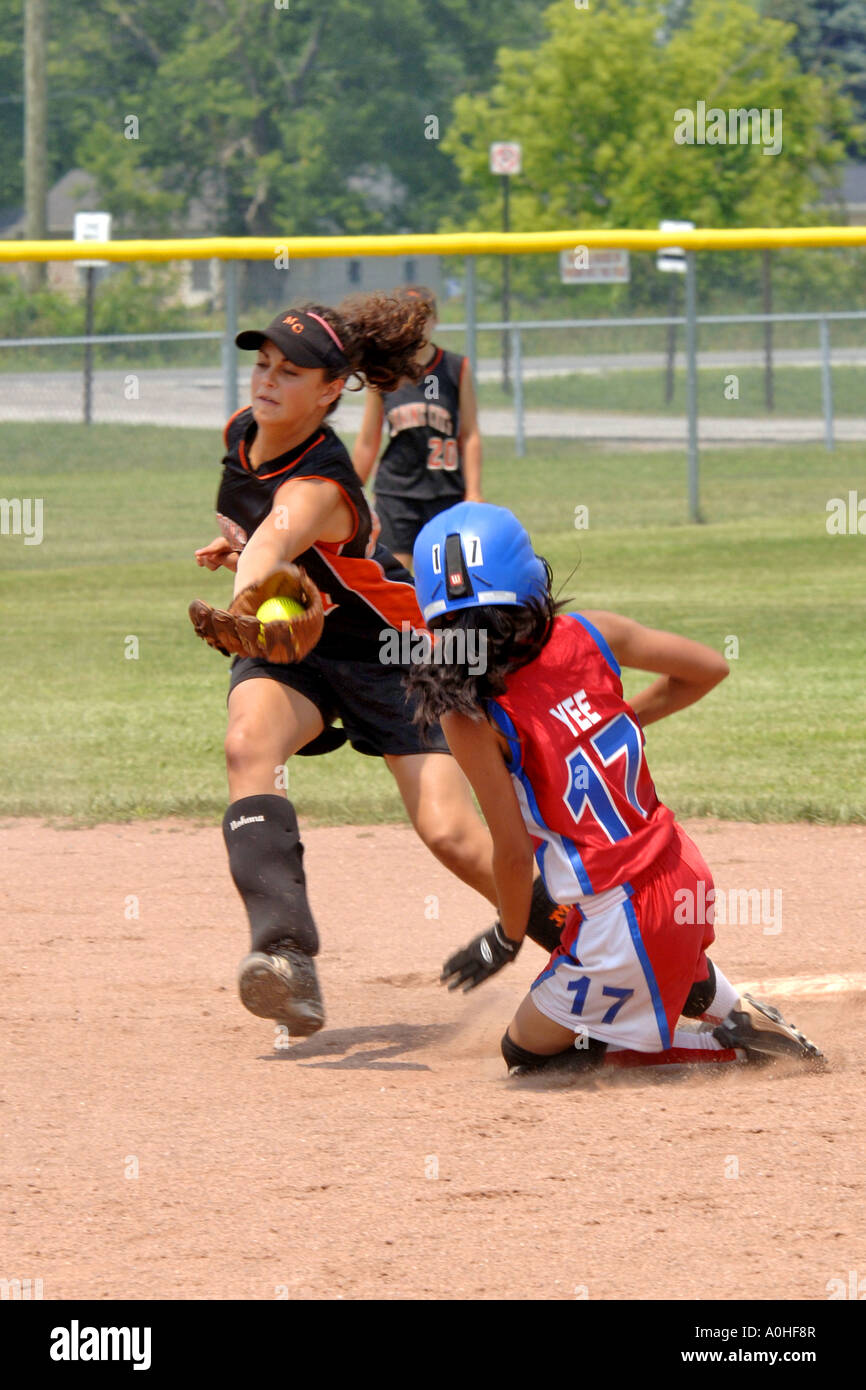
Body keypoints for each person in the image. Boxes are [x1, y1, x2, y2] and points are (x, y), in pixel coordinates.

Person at [190, 296, 563, 1039]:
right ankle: (286, 957)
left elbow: (277, 542)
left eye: (290, 372)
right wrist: (241, 555)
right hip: (301, 651)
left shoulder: (323, 483)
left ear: (331, 390)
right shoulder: (242, 433)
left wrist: (248, 585)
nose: (266, 380)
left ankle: (594, 950)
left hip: (388, 656)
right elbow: (260, 538)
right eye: (263, 363)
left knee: (452, 836)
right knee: (247, 746)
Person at [407, 502, 825, 1076]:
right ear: (530, 581)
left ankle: (734, 1048)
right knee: (605, 937)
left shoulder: (470, 714)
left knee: (524, 1052)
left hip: (623, 913)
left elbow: (510, 848)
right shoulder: (591, 631)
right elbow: (708, 668)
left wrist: (504, 938)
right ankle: (727, 1006)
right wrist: (602, 724)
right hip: (684, 871)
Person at [352, 285, 482, 572]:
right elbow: (367, 440)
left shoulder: (455, 367)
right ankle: (403, 621)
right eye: (409, 317)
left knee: (450, 574)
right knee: (395, 574)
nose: (418, 324)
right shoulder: (385, 370)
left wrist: (473, 491)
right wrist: (349, 491)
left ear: (435, 320)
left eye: (424, 316)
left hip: (445, 491)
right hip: (396, 492)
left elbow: (469, 434)